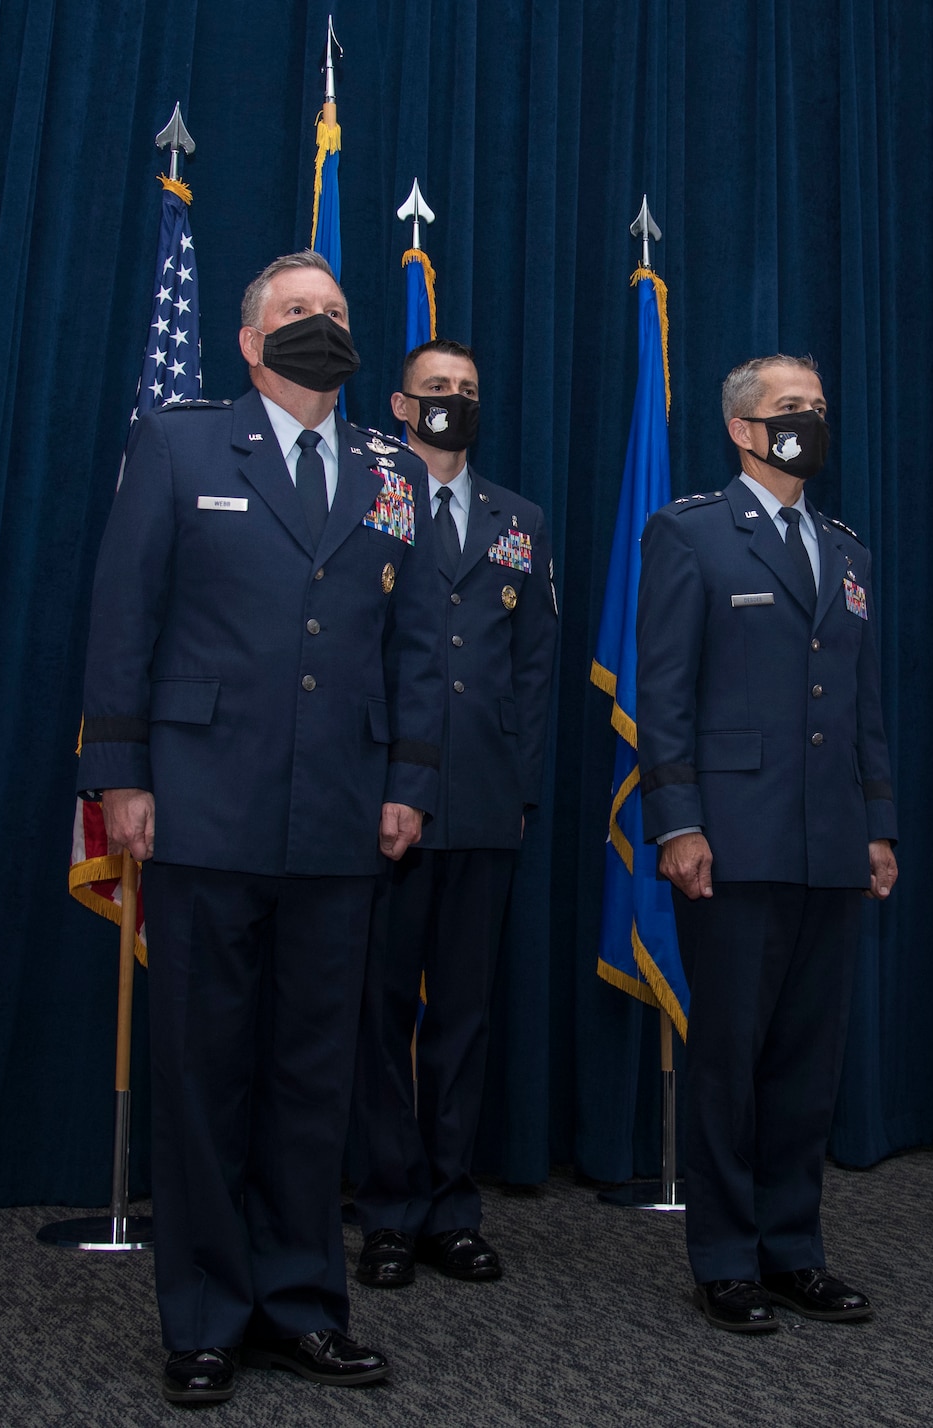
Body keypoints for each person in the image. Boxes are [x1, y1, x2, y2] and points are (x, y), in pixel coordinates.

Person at [77, 251, 444, 1403]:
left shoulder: (391, 470)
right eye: (296, 314)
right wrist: (120, 771)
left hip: (340, 821)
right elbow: (122, 612)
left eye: (334, 314)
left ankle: (300, 1305)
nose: (319, 326)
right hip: (201, 806)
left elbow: (419, 642)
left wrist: (409, 781)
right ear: (248, 341)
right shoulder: (183, 444)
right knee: (201, 1075)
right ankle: (201, 1318)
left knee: (310, 1078)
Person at [635, 354, 898, 1334]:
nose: (809, 424)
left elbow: (863, 708)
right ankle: (723, 1258)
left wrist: (877, 824)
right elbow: (661, 694)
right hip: (730, 841)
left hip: (829, 840)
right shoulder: (692, 535)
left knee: (804, 1063)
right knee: (731, 1059)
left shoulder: (847, 551)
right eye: (791, 411)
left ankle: (794, 1249)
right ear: (743, 430)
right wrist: (678, 821)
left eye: (818, 409)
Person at [350, 339, 558, 1290]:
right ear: (400, 404)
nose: (453, 402)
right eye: (437, 389)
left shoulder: (520, 519)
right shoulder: (370, 501)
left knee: (464, 1018)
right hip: (385, 803)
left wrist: (519, 790)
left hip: (481, 805)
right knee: (382, 1014)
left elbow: (532, 670)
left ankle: (449, 1208)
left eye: (468, 390)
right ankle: (388, 1211)